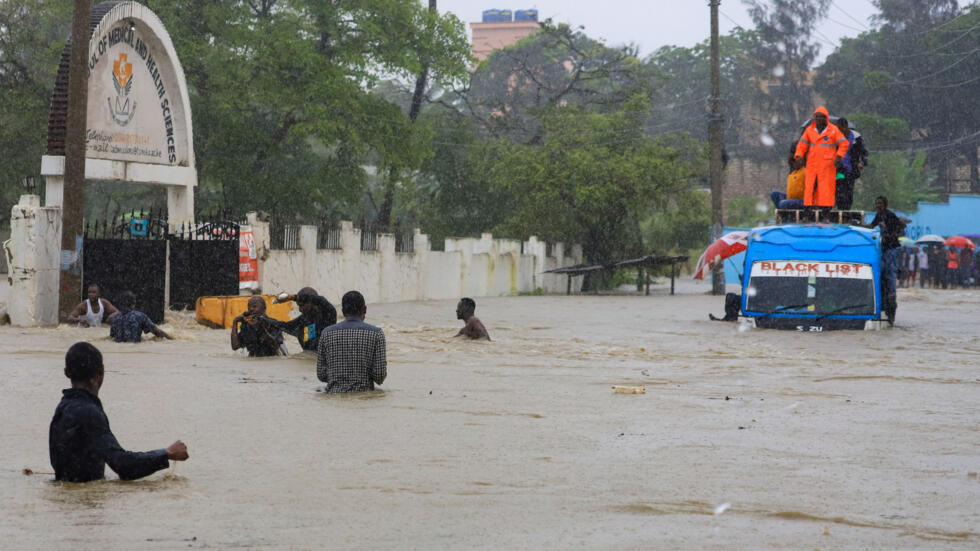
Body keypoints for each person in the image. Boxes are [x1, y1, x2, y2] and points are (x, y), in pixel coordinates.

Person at [49, 342, 188, 482]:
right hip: (86, 495)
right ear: (101, 372)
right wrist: (166, 453)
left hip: (68, 493)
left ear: (66, 372)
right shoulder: (89, 412)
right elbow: (123, 465)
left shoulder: (63, 407)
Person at [316, 290, 386, 393]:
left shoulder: (326, 333)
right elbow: (379, 376)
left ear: (343, 311)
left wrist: (338, 376)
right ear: (365, 309)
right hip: (364, 396)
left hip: (333, 396)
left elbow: (321, 374)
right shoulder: (376, 334)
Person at [794, 106, 849, 215]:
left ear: (826, 118)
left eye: (822, 117)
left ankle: (825, 215)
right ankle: (807, 214)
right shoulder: (809, 130)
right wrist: (799, 156)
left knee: (826, 190)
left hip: (827, 166)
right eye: (817, 116)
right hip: (812, 165)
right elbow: (802, 145)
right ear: (815, 117)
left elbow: (844, 143)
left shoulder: (833, 130)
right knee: (809, 189)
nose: (819, 119)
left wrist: (838, 156)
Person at [865, 196, 903, 325]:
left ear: (885, 204)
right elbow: (872, 226)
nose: (877, 205)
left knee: (889, 274)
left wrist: (890, 236)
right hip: (884, 248)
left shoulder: (889, 215)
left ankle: (891, 302)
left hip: (892, 248)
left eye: (880, 203)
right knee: (881, 273)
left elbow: (899, 228)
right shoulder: (879, 215)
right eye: (876, 203)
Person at [272, 287, 337, 352]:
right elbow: (286, 326)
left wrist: (293, 297)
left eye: (302, 305)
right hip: (309, 355)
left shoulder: (328, 314)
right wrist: (266, 320)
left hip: (325, 356)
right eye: (298, 306)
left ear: (312, 302)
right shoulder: (304, 318)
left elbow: (321, 300)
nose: (300, 309)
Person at [833, 117, 868, 210]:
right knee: (839, 188)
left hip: (851, 169)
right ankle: (840, 208)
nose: (839, 131)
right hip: (840, 169)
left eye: (840, 128)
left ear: (846, 126)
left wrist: (862, 162)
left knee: (849, 190)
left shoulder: (856, 137)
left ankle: (846, 210)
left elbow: (863, 151)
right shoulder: (836, 137)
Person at [770, 145, 806, 210]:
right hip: (791, 199)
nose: (793, 165)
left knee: (783, 204)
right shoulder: (793, 173)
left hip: (802, 201)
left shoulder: (805, 172)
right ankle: (782, 211)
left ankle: (783, 211)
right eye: (792, 164)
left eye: (794, 163)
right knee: (774, 194)